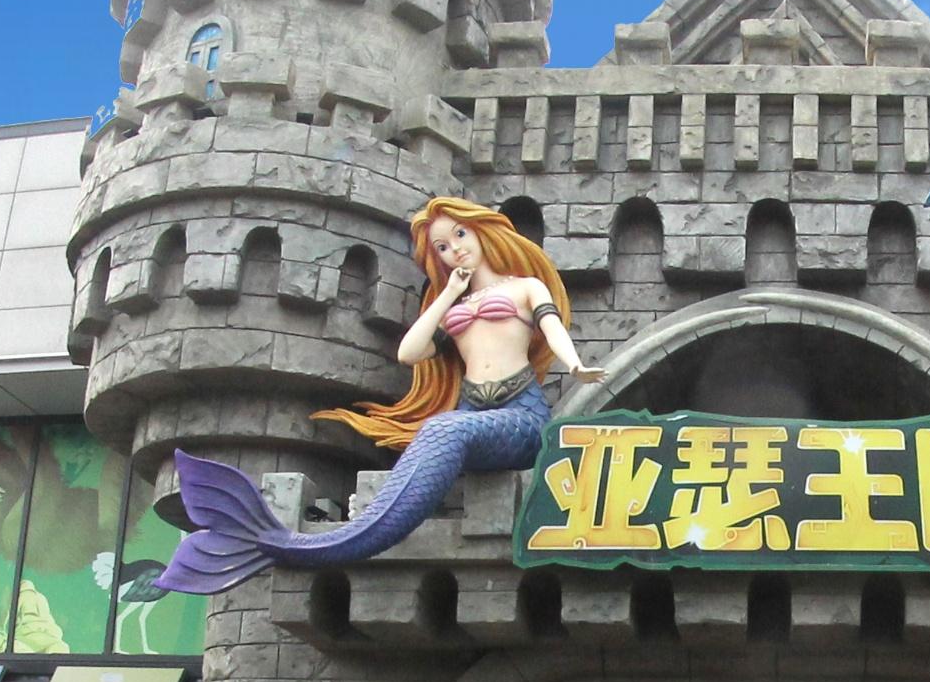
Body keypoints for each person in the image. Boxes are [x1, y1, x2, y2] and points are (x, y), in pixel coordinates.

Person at [153, 198, 599, 593]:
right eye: (443, 247)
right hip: (472, 410)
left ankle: (333, 539)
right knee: (443, 430)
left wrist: (575, 364)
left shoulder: (524, 287)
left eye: (460, 235)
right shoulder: (456, 307)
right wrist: (448, 293)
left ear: (482, 230)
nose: (455, 249)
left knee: (444, 431)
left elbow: (552, 327)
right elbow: (410, 352)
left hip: (520, 414)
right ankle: (302, 541)